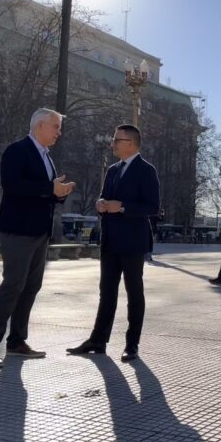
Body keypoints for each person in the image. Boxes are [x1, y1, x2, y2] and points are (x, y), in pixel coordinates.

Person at [0, 108, 76, 368]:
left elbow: (43, 193)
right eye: (55, 127)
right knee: (12, 286)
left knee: (31, 287)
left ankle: (17, 342)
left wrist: (60, 193)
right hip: (17, 231)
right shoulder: (17, 150)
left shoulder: (46, 156)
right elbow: (12, 186)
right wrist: (49, 188)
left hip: (39, 233)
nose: (59, 132)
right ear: (40, 126)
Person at [67, 124, 160, 363]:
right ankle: (98, 340)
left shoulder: (146, 170)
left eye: (117, 140)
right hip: (109, 240)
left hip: (133, 241)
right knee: (106, 291)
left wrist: (124, 207)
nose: (112, 143)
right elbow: (103, 196)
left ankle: (132, 344)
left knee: (133, 292)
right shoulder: (112, 170)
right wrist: (100, 204)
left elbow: (152, 207)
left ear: (130, 143)